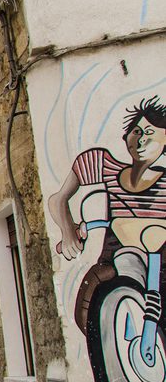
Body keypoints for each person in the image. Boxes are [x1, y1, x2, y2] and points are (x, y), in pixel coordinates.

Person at [49, 96, 166, 330]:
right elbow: (58, 198)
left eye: (150, 133)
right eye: (136, 132)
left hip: (160, 262)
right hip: (117, 260)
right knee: (94, 305)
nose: (141, 139)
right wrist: (68, 231)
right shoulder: (105, 165)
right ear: (126, 138)